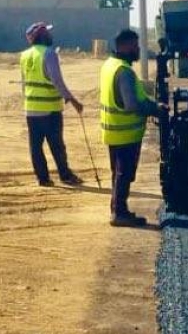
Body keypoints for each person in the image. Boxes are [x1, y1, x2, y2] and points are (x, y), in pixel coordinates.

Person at [99, 29, 160, 227]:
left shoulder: (109, 65)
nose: (138, 50)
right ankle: (119, 213)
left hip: (113, 131)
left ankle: (117, 208)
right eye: (135, 46)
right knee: (124, 174)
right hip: (125, 133)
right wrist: (155, 109)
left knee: (117, 172)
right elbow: (132, 104)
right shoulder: (124, 72)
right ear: (124, 46)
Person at [20, 22, 84, 187]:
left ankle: (43, 178)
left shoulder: (24, 55)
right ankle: (65, 176)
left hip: (31, 109)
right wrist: (73, 100)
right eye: (48, 33)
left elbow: (24, 84)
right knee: (57, 146)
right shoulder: (49, 54)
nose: (50, 35)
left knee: (35, 146)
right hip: (50, 110)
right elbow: (57, 81)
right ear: (42, 36)